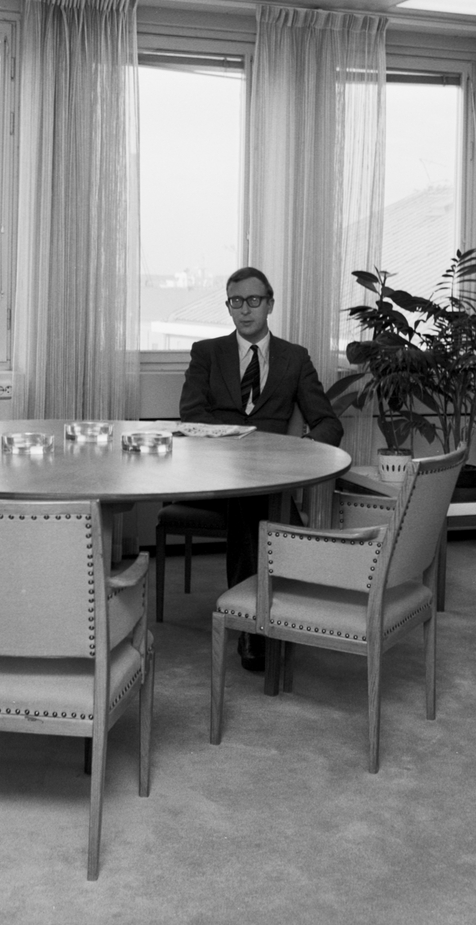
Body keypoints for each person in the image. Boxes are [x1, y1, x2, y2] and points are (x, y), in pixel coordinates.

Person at [179, 267, 343, 672]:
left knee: (256, 500)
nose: (245, 309)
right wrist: (236, 448)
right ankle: (264, 622)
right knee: (254, 501)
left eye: (254, 300)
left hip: (272, 476)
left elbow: (328, 423)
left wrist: (302, 451)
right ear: (228, 306)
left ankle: (255, 622)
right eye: (236, 301)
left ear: (270, 304)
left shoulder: (294, 357)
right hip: (216, 475)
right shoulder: (207, 353)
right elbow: (192, 415)